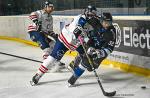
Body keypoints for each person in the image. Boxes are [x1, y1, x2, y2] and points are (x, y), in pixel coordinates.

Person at [30, 5, 101, 85]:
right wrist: (80, 32)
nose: (92, 16)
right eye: (91, 14)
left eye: (93, 14)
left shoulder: (91, 23)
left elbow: (90, 33)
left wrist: (90, 36)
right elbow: (77, 29)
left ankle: (73, 69)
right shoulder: (80, 18)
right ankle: (38, 75)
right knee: (53, 57)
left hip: (73, 42)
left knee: (85, 56)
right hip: (65, 39)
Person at [67, 12, 116, 86]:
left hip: (100, 50)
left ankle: (83, 59)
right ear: (101, 20)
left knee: (91, 68)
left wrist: (99, 53)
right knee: (85, 60)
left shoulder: (111, 32)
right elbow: (83, 17)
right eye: (105, 22)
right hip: (91, 44)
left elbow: (110, 48)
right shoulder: (95, 20)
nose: (107, 25)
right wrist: (78, 26)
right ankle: (73, 78)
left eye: (109, 23)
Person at [28, 1, 65, 72]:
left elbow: (49, 31)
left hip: (43, 34)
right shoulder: (40, 13)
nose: (51, 9)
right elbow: (32, 15)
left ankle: (55, 61)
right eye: (50, 7)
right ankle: (46, 65)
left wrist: (55, 36)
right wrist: (36, 22)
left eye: (52, 7)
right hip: (34, 32)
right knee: (46, 48)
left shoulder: (50, 17)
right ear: (45, 7)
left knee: (54, 45)